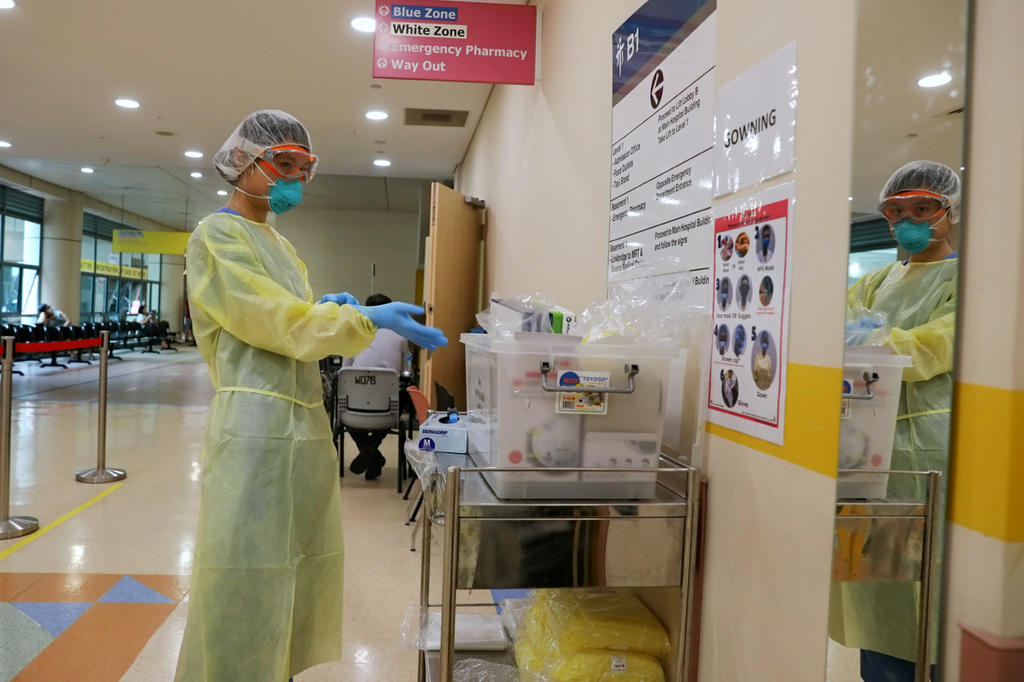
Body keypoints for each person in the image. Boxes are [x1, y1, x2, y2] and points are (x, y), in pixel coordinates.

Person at [174, 109, 447, 682]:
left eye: (304, 167)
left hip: (300, 424)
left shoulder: (280, 244)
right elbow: (276, 321)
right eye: (283, 165)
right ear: (244, 163)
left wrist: (337, 307)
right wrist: (363, 318)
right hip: (252, 423)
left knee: (293, 566)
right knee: (243, 572)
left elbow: (295, 315)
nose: (293, 179)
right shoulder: (217, 235)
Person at [830, 160, 960, 682]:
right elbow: (833, 331)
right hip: (865, 448)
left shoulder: (964, 280)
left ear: (948, 212)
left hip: (928, 455)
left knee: (926, 592)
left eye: (923, 208)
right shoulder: (878, 281)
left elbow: (939, 343)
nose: (908, 219)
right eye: (896, 210)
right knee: (873, 588)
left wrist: (879, 345)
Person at [341, 293, 409, 480]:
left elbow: (344, 372)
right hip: (386, 412)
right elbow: (403, 373)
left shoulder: (354, 334)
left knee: (343, 405)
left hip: (353, 413)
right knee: (398, 397)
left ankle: (370, 452)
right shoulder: (401, 336)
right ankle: (373, 447)